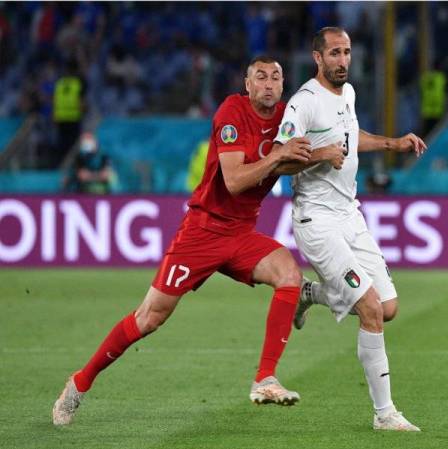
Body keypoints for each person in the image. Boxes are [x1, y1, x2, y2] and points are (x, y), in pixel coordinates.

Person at [52, 55, 344, 426]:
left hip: (240, 234)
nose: (269, 84)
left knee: (288, 273)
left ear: (283, 84)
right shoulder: (232, 112)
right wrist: (280, 155)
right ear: (248, 84)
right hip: (204, 231)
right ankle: (78, 384)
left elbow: (288, 160)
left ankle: (264, 379)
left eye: (276, 77)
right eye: (261, 77)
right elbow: (236, 180)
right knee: (149, 318)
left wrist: (319, 153)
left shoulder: (289, 118)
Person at [273, 27, 427, 432]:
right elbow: (278, 159)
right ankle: (385, 414)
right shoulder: (303, 103)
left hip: (349, 215)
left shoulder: (350, 94)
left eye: (347, 53)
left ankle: (312, 293)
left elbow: (351, 139)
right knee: (371, 309)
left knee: (389, 308)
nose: (343, 61)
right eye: (335, 54)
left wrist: (393, 144)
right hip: (316, 220)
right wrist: (318, 155)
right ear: (317, 58)